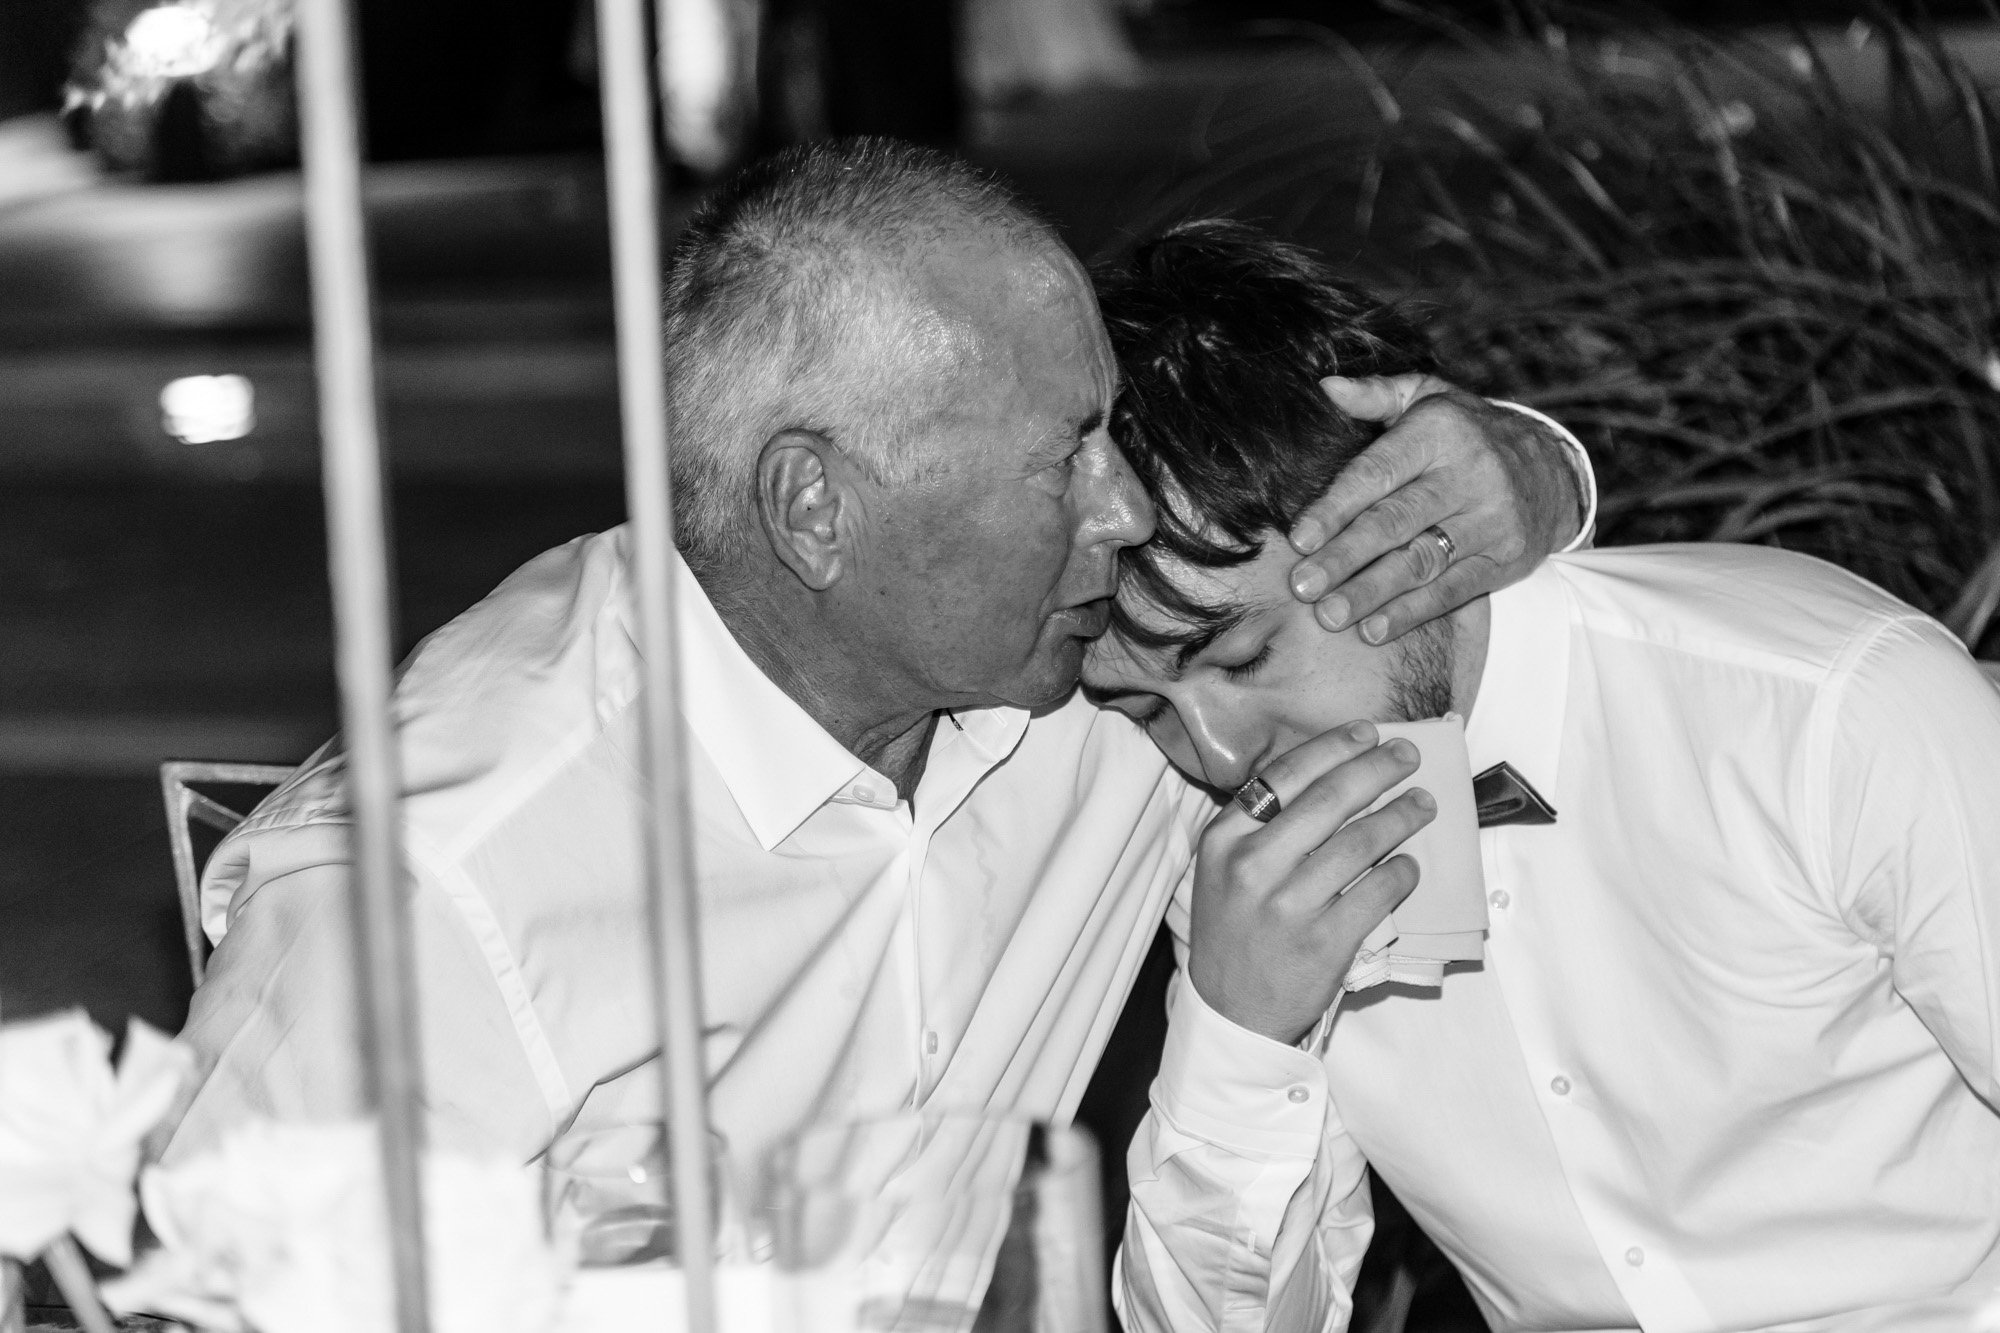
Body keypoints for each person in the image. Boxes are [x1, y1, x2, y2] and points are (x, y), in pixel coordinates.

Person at [161, 141, 1591, 1188]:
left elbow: (1337, 616)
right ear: (814, 509)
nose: (1129, 509)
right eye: (1066, 459)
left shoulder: (1101, 693)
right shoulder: (437, 896)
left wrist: (1537, 465)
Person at [1084, 220, 2000, 1332]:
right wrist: (1236, 1041)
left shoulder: (1825, 711)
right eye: (1142, 707)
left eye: (1240, 655)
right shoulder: (1231, 854)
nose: (1217, 755)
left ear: (1396, 520)